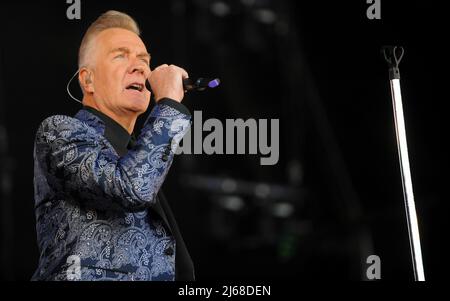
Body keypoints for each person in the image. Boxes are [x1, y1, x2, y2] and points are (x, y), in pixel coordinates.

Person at [32, 10, 195, 281]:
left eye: (144, 60)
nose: (140, 67)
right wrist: (168, 106)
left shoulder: (138, 153)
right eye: (121, 55)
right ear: (87, 80)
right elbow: (130, 187)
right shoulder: (58, 131)